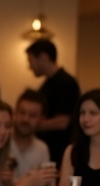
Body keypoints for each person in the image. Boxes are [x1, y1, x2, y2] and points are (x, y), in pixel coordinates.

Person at [25, 39, 80, 167]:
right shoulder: (48, 84)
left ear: (43, 57)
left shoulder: (65, 83)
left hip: (58, 151)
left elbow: (63, 122)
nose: (29, 66)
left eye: (31, 60)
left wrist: (30, 125)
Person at [7, 89, 50, 181]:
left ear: (41, 119)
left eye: (32, 115)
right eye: (22, 113)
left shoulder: (42, 149)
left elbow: (44, 184)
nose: (25, 119)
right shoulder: (0, 141)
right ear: (14, 113)